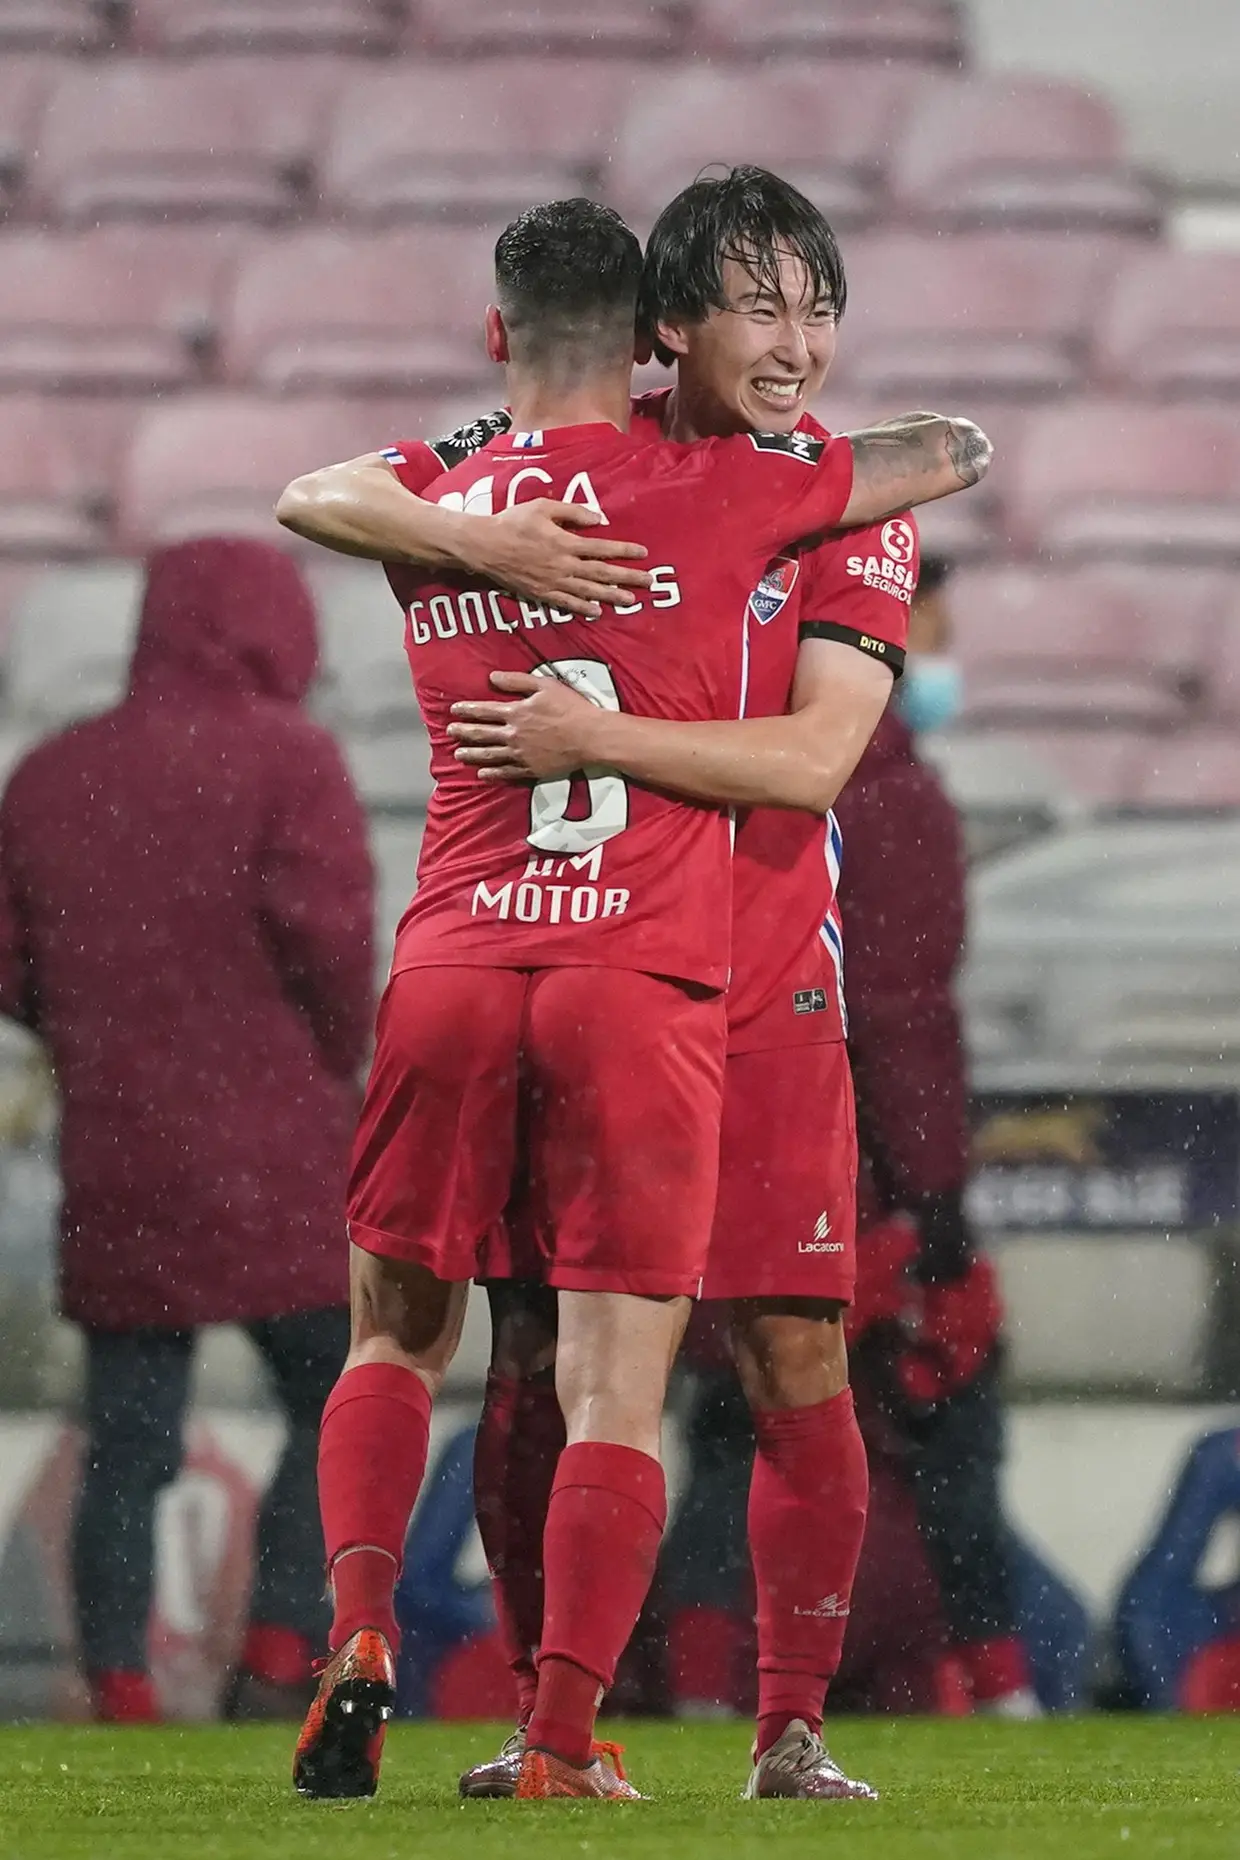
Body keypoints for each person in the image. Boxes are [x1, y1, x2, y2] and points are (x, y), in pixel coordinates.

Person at [279, 167, 992, 1801]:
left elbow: (813, 760)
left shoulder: (835, 502)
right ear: (669, 328)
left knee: (793, 1355)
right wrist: (475, 532)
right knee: (540, 1354)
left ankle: (789, 1728)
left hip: (760, 990)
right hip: (615, 963)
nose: (797, 345)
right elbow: (355, 488)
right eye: (761, 308)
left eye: (820, 310)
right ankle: (556, 1717)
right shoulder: (614, 465)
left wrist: (595, 733)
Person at [0, 538, 374, 1724]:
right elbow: (330, 945)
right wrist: (328, 1054)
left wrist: (104, 1032)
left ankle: (117, 1678)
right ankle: (278, 1642)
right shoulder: (291, 760)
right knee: (341, 1398)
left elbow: (11, 965)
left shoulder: (49, 775)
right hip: (277, 1154)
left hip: (121, 1152)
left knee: (128, 1431)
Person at [834, 554, 1039, 1716]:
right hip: (864, 1185)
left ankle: (701, 1681)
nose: (946, 663)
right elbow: (900, 1015)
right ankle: (993, 1680)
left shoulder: (752, 768)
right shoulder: (890, 796)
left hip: (749, 1161)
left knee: (740, 1428)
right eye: (936, 633)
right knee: (950, 1412)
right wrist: (935, 1208)